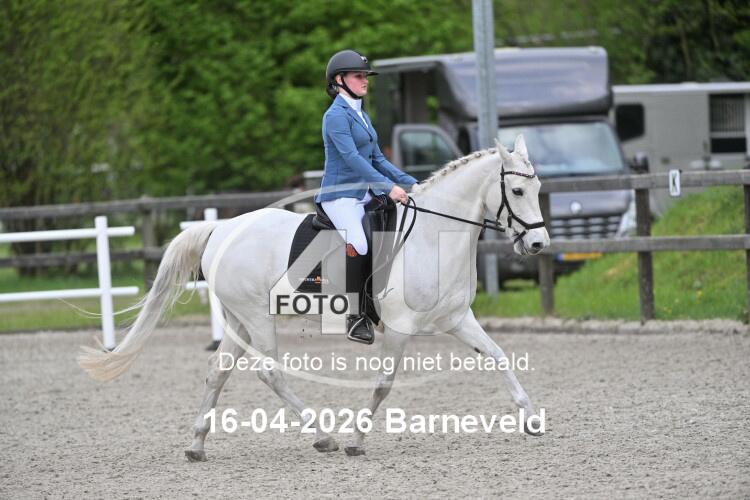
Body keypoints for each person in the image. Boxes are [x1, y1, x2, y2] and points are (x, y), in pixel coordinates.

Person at [315, 49, 417, 345]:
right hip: (339, 196)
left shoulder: (361, 114)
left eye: (365, 76)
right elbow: (352, 159)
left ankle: (384, 299)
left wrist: (411, 183)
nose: (365, 80)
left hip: (363, 193)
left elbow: (377, 159)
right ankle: (354, 315)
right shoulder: (335, 116)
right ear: (339, 80)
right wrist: (387, 187)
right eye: (358, 76)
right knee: (359, 244)